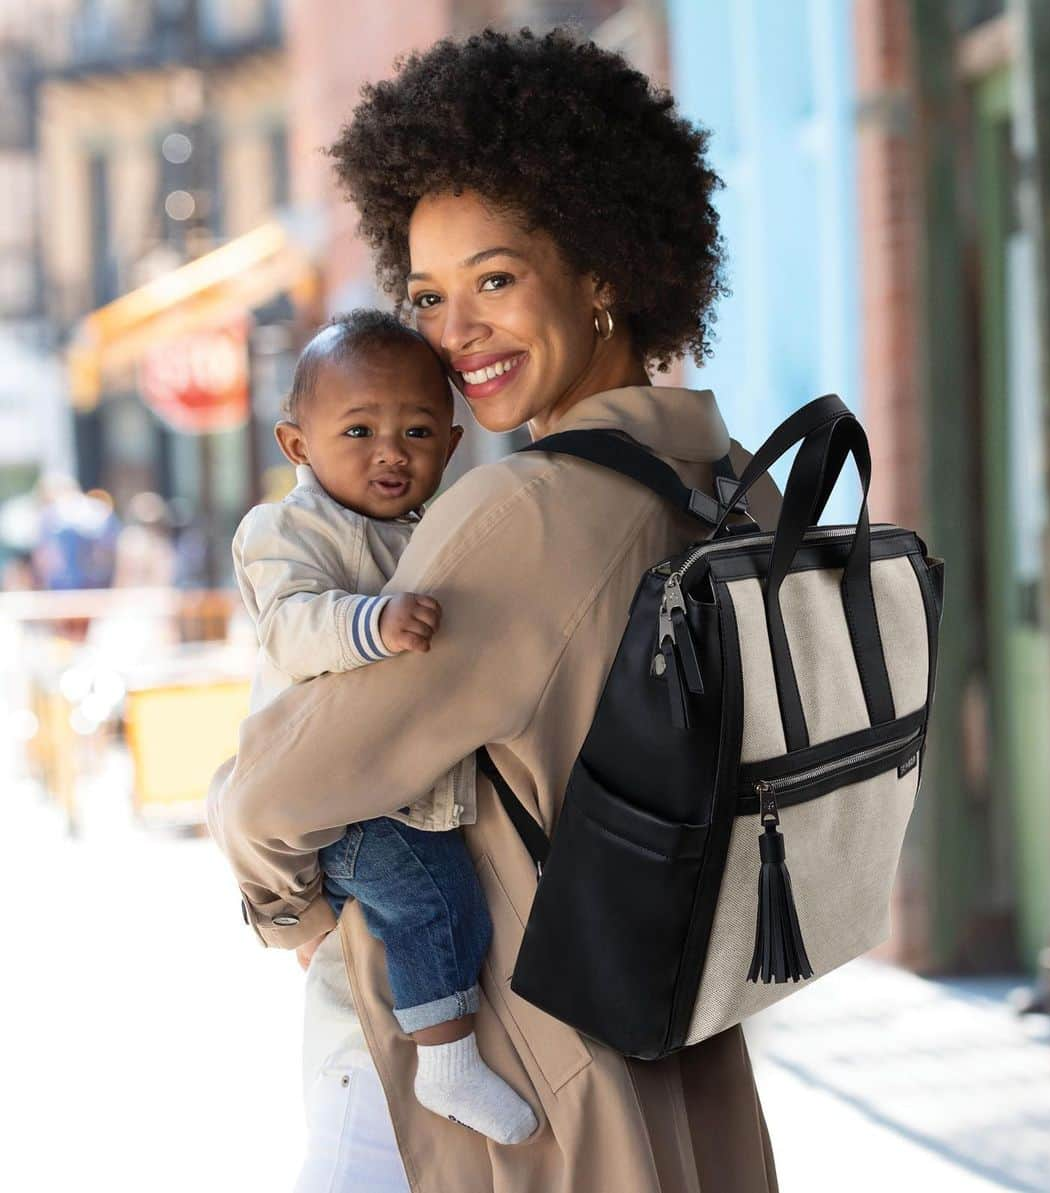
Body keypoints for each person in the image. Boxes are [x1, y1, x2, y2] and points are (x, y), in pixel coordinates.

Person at [209, 26, 784, 1192]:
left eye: (497, 278)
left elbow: (274, 794)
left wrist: (288, 912)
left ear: (603, 268)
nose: (454, 333)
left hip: (493, 1083)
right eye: (427, 293)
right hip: (679, 1051)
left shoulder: (524, 513)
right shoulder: (736, 481)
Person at [230, 308, 537, 1146]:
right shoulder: (285, 529)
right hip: (339, 798)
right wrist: (372, 622)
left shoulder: (442, 528)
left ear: (453, 439)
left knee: (450, 911)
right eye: (359, 429)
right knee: (433, 904)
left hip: (395, 786)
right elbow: (291, 624)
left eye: (415, 430)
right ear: (298, 445)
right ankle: (446, 1062)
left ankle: (443, 1047)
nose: (390, 451)